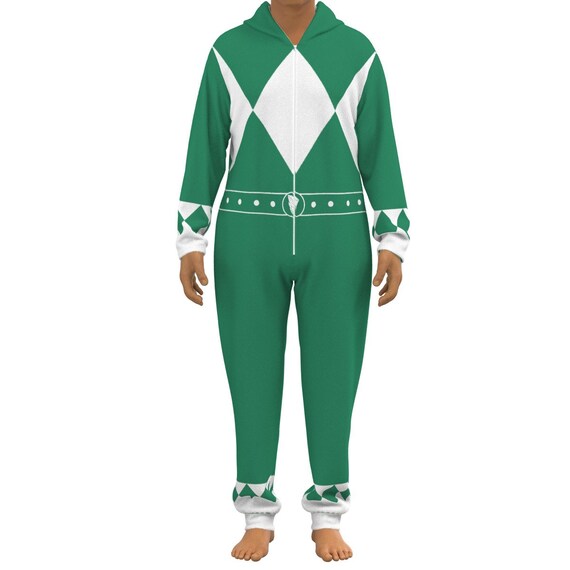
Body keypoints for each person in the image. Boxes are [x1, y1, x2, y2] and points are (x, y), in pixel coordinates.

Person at [176, 0, 410, 562]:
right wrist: (191, 238)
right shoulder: (228, 51)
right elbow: (205, 147)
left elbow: (380, 149)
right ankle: (257, 514)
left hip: (337, 233)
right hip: (248, 232)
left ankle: (327, 513)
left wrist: (392, 237)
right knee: (250, 370)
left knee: (335, 373)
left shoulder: (357, 51)